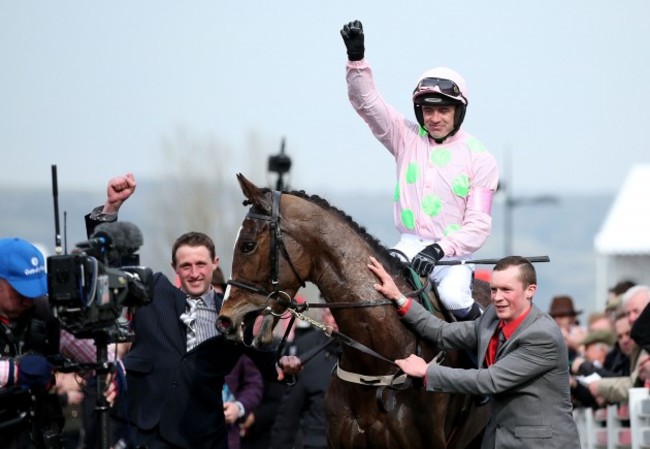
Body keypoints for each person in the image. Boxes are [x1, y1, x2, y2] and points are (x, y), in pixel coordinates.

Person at [86, 173, 301, 449]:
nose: (195, 273)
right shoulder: (153, 291)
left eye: (201, 264)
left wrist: (287, 365)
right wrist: (111, 208)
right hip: (144, 432)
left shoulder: (233, 314)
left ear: (215, 264)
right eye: (186, 266)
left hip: (203, 436)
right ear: (174, 268)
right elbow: (109, 266)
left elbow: (269, 363)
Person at [340, 20, 499, 321]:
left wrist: (440, 250)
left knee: (453, 299)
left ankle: (489, 351)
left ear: (458, 112)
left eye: (443, 110)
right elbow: (367, 103)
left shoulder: (480, 157)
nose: (435, 118)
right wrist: (356, 60)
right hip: (408, 247)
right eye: (428, 110)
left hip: (453, 257)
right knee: (372, 289)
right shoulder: (406, 137)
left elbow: (478, 225)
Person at [367, 255, 580, 449]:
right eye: (494, 289)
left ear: (530, 290)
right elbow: (443, 332)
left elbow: (489, 381)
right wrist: (399, 298)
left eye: (506, 290)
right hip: (498, 440)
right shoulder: (491, 318)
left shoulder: (542, 335)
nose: (497, 297)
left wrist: (427, 372)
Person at [0, 237, 118, 449]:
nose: (29, 300)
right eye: (21, 291)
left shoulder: (46, 314)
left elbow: (100, 357)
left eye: (35, 290)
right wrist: (14, 372)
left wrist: (112, 375)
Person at [270, 309, 339, 449]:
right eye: (331, 314)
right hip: (317, 441)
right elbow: (288, 415)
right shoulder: (309, 358)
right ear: (324, 317)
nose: (335, 320)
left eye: (339, 314)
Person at [589, 285, 650, 404]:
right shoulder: (639, 341)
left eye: (636, 311)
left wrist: (600, 387)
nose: (631, 318)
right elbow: (635, 382)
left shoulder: (642, 339)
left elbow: (633, 386)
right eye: (628, 313)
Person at [224, 355, 264, 449]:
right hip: (187, 432)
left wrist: (238, 407)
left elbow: (254, 384)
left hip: (226, 435)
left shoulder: (241, 344)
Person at [548, 295, 587, 363]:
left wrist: (577, 346)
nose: (557, 320)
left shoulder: (583, 334)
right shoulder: (548, 336)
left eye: (561, 315)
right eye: (554, 316)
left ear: (572, 318)